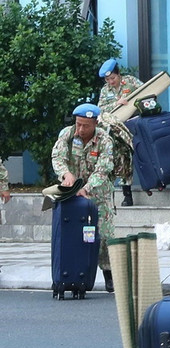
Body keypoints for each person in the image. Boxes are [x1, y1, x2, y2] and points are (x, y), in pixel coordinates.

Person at [51, 104, 117, 293]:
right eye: (78, 124)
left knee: (104, 235)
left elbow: (103, 168)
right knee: (70, 235)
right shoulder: (68, 134)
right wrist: (65, 174)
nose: (80, 129)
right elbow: (57, 157)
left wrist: (87, 188)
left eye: (86, 126)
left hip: (98, 194)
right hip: (72, 193)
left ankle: (109, 273)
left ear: (95, 123)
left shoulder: (104, 139)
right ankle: (67, 273)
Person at [97, 59, 142, 207]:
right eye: (108, 79)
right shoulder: (105, 90)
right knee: (122, 158)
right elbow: (100, 110)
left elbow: (146, 92)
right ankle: (126, 194)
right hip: (116, 130)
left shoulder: (130, 81)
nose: (111, 82)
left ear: (119, 74)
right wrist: (116, 103)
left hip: (134, 125)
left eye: (113, 78)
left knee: (135, 154)